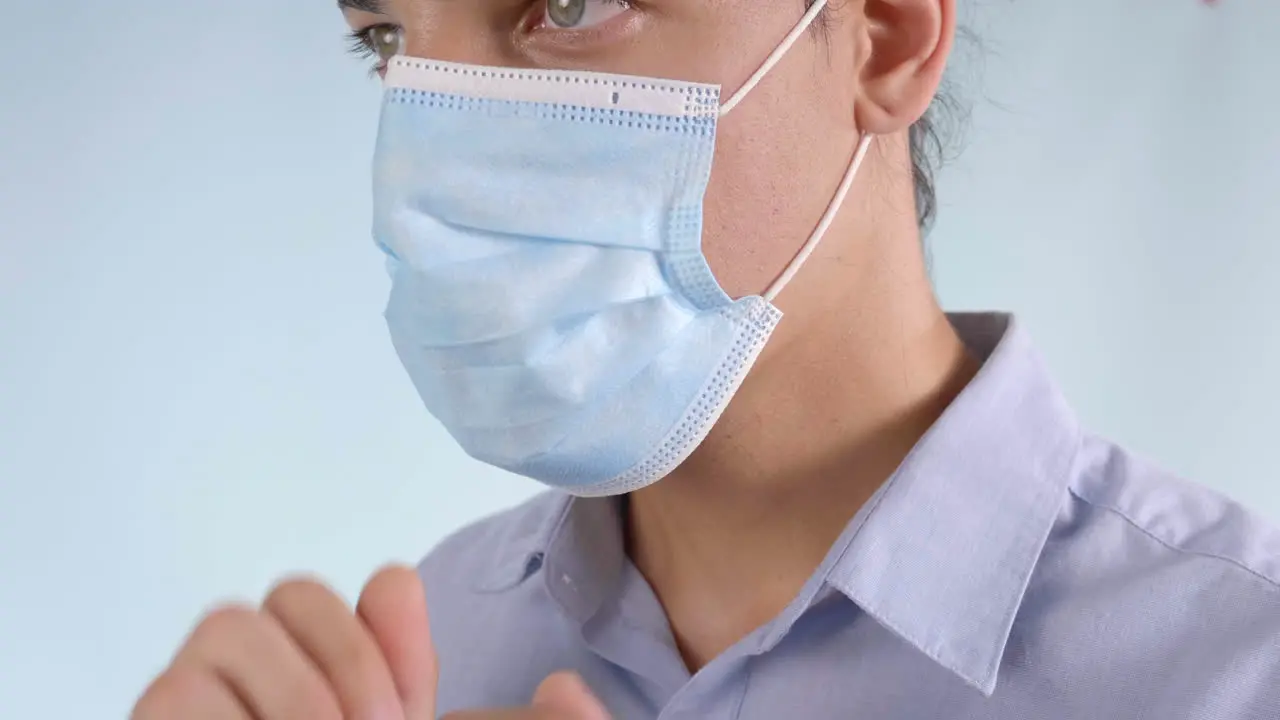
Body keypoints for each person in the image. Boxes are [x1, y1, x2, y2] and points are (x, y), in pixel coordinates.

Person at [132, 0, 1280, 718]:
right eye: (387, 41)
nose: (436, 151)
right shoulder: (418, 651)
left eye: (566, 5)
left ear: (882, 35)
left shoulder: (1238, 669)